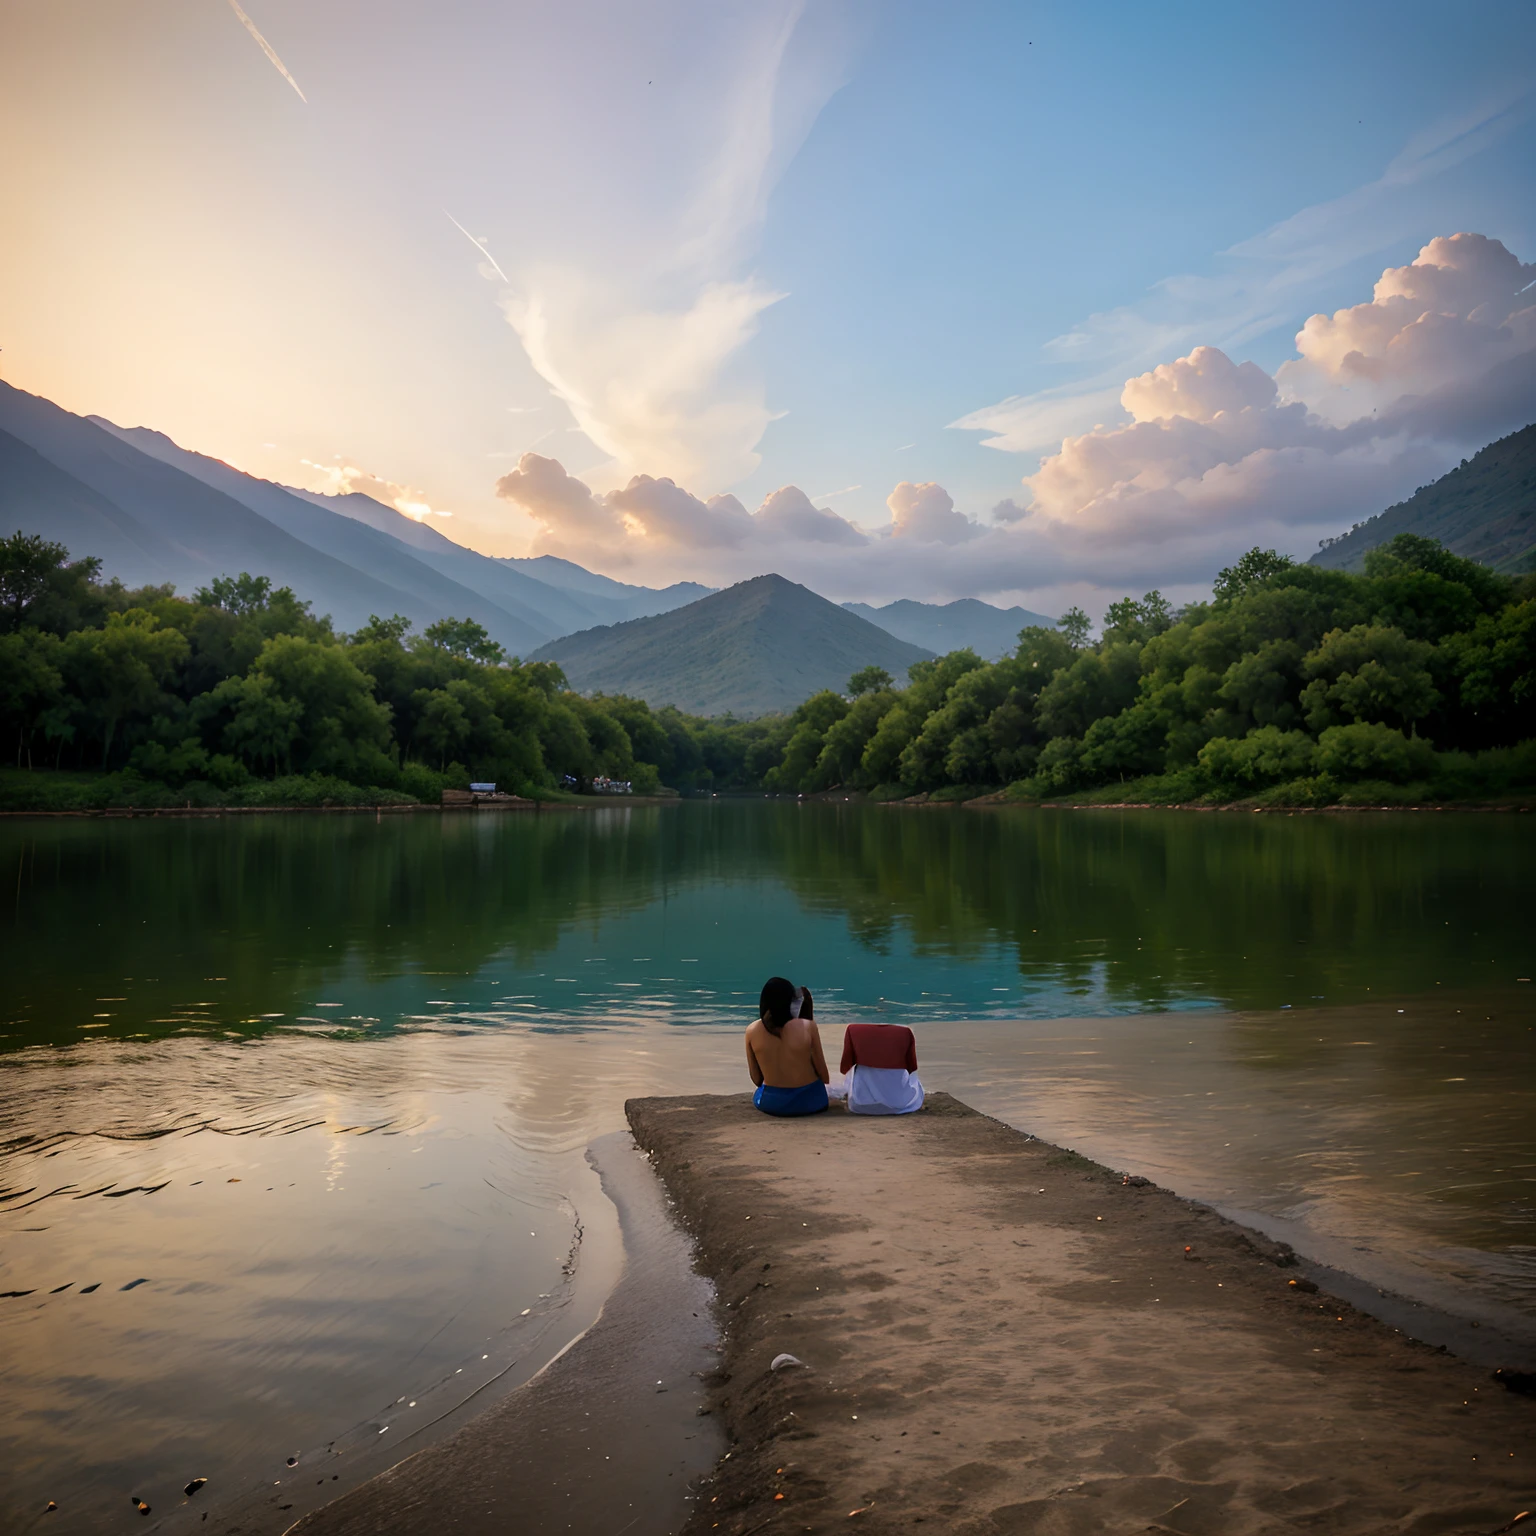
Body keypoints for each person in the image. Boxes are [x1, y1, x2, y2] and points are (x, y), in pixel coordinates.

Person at [746, 976, 829, 1116]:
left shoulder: (751, 1030)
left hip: (771, 1103)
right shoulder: (808, 1026)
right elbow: (824, 1076)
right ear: (790, 1002)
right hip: (811, 1101)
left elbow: (756, 1079)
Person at [840, 1021, 924, 1115]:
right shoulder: (905, 1032)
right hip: (900, 1104)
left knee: (855, 1070)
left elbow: (846, 1063)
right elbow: (912, 1066)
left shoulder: (853, 1029)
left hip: (861, 1105)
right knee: (912, 1077)